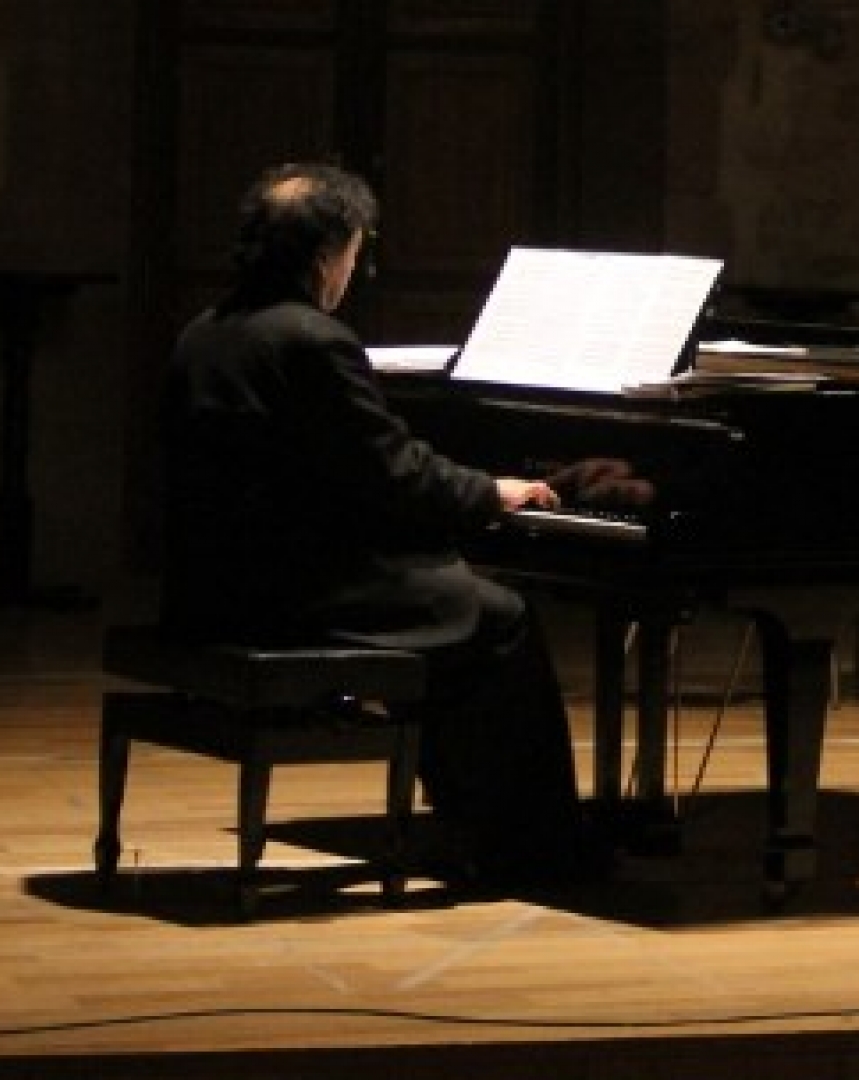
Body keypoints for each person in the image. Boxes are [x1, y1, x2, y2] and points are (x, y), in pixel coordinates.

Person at [160, 162, 607, 886]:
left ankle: (468, 822)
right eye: (355, 252)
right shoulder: (313, 339)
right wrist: (490, 492)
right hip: (295, 598)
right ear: (325, 256)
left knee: (449, 598)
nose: (355, 270)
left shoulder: (203, 334)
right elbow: (395, 473)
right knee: (499, 618)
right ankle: (531, 847)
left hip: (216, 589)